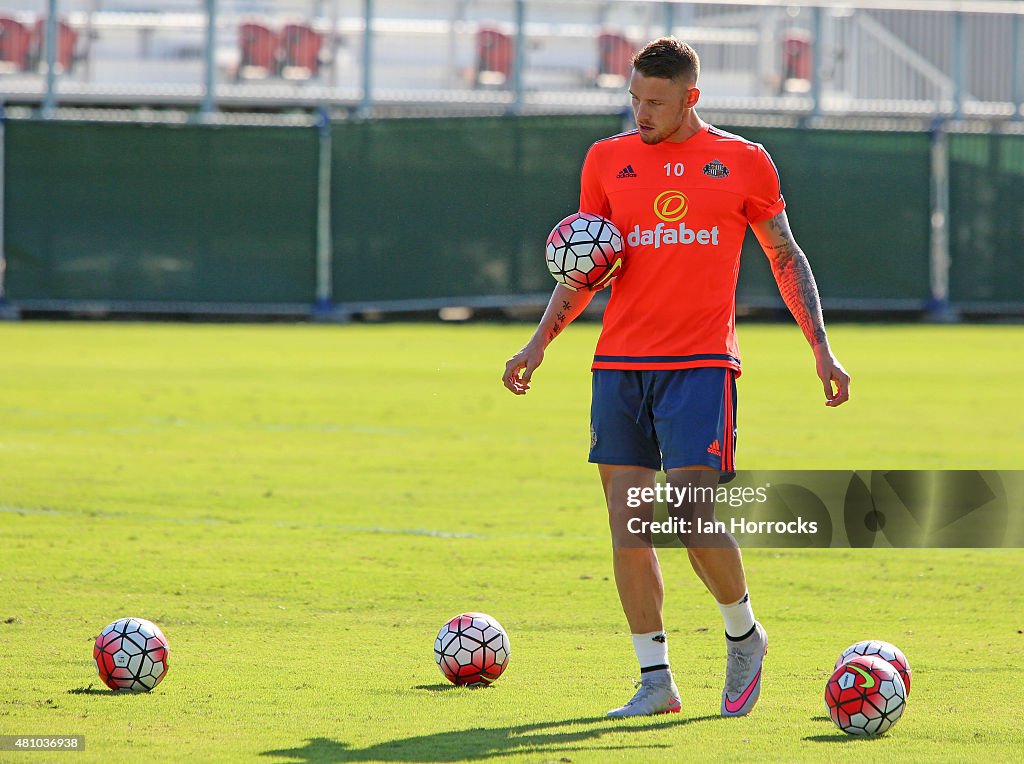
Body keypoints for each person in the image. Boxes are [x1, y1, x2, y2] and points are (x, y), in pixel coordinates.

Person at [501, 37, 850, 718]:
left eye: (655, 102)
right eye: (634, 98)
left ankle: (744, 634)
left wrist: (821, 347)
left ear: (691, 97)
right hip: (620, 365)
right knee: (628, 526)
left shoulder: (745, 162)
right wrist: (538, 343)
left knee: (691, 514)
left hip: (701, 365)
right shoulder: (607, 159)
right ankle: (655, 681)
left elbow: (784, 255)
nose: (641, 113)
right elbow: (587, 265)